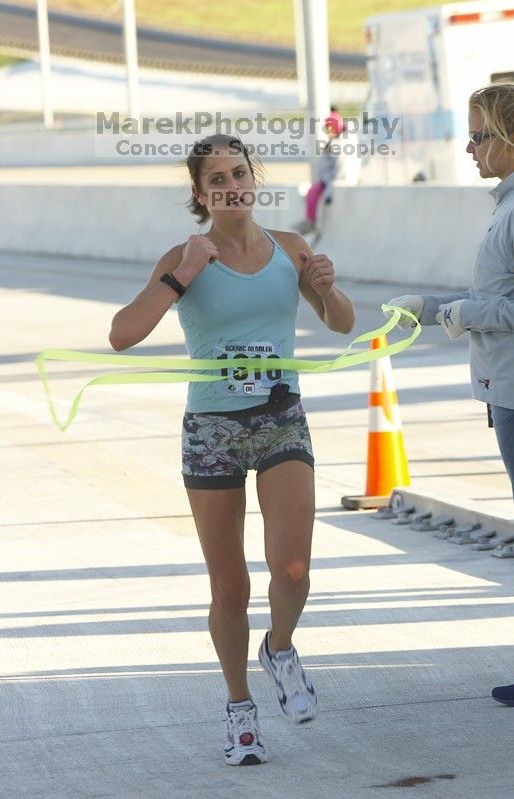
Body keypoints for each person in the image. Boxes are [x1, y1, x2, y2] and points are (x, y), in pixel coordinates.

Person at [109, 133, 355, 765]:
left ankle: (280, 649)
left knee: (293, 568)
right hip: (212, 429)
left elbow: (343, 322)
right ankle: (240, 710)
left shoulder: (290, 249)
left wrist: (325, 287)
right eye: (215, 179)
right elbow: (122, 335)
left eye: (238, 173)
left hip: (280, 421)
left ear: (255, 178)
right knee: (229, 586)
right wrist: (181, 276)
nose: (230, 186)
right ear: (200, 193)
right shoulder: (185, 256)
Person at [383, 83, 514, 704]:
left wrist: (455, 312)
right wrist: (434, 309)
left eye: (481, 135)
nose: (469, 147)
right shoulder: (506, 206)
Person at [295, 107, 346, 235]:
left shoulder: (337, 145)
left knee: (313, 192)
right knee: (311, 193)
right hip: (325, 179)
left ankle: (311, 221)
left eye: (330, 128)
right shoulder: (332, 143)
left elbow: (339, 168)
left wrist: (329, 188)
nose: (328, 131)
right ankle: (309, 220)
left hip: (329, 180)